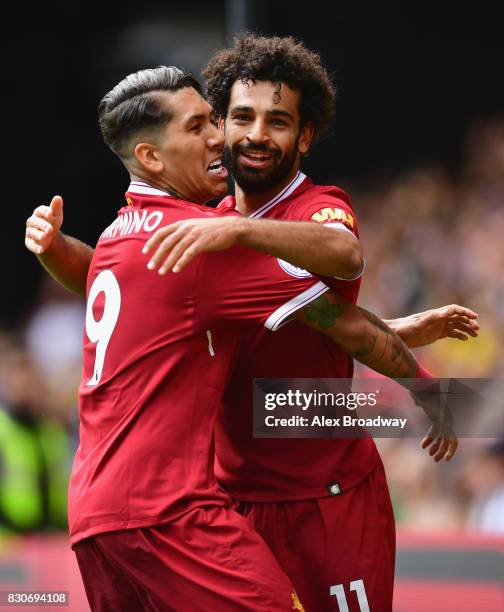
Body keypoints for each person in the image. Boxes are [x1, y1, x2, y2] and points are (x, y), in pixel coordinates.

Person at [25, 49, 475, 612]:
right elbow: (139, 293)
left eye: (277, 121)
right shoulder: (199, 229)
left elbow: (343, 261)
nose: (248, 135)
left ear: (304, 136)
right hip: (220, 500)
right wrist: (57, 250)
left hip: (323, 494)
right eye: (233, 119)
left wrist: (419, 365)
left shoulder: (306, 208)